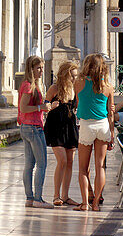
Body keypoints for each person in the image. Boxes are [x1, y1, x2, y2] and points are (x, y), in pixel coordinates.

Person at [74, 52, 115, 211]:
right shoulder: (108, 86)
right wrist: (112, 133)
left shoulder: (79, 82)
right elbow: (110, 111)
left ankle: (85, 203)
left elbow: (79, 102)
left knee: (83, 168)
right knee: (100, 167)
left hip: (86, 125)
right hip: (103, 125)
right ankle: (96, 203)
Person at [18, 55, 52, 208]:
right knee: (41, 164)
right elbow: (23, 108)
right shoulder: (28, 86)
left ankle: (29, 198)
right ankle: (38, 198)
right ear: (31, 69)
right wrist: (41, 108)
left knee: (29, 164)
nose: (41, 71)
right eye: (38, 68)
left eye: (42, 67)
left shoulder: (32, 85)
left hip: (27, 126)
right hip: (33, 127)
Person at [44, 60, 79, 206]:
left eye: (76, 76)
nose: (74, 79)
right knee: (62, 160)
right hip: (55, 127)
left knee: (70, 161)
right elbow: (45, 105)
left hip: (69, 126)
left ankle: (65, 196)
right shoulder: (54, 88)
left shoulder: (75, 89)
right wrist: (50, 106)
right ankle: (56, 195)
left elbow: (78, 105)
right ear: (65, 75)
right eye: (72, 76)